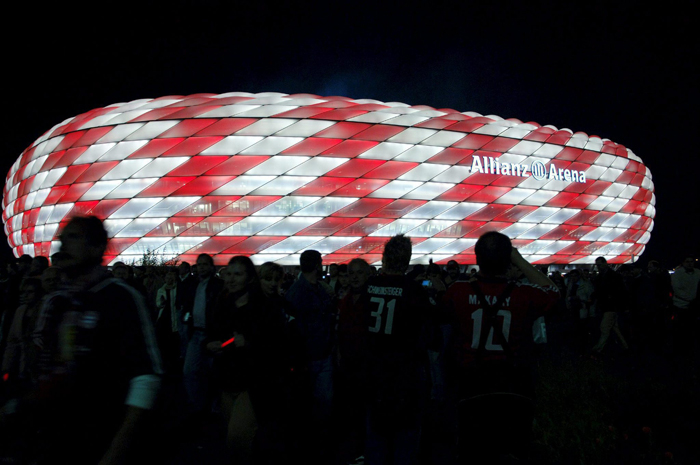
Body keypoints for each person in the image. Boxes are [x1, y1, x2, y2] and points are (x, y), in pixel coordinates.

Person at [0, 216, 163, 465]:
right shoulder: (58, 303)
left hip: (103, 436)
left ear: (98, 248)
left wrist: (117, 449)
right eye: (63, 238)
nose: (63, 245)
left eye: (74, 237)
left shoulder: (121, 298)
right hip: (58, 439)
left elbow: (145, 376)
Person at [443, 231, 559, 464]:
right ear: (508, 261)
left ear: (477, 259)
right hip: (513, 384)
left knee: (472, 451)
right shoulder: (524, 295)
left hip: (471, 384)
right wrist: (517, 258)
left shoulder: (457, 291)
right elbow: (554, 293)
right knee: (512, 451)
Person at [206, 256, 288, 465]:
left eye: (238, 274)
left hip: (252, 383)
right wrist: (210, 345)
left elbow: (276, 345)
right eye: (229, 274)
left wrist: (249, 342)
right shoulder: (222, 302)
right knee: (231, 436)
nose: (231, 279)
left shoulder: (264, 306)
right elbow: (212, 333)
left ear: (249, 278)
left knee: (237, 436)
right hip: (227, 379)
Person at [360, 235, 434, 465]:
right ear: (407, 259)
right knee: (405, 439)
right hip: (405, 376)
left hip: (374, 372)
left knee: (376, 436)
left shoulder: (368, 287)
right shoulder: (414, 291)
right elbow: (429, 336)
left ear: (384, 256)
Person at [285, 249, 337, 462]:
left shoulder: (299, 291)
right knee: (317, 403)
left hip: (314, 354)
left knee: (314, 403)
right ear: (318, 265)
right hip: (313, 354)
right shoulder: (312, 291)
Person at [181, 253, 224, 419]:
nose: (202, 267)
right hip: (197, 332)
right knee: (190, 371)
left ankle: (211, 406)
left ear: (212, 267)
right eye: (199, 264)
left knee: (212, 371)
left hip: (211, 334)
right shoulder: (193, 285)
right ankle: (199, 406)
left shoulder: (218, 286)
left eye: (205, 264)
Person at [591, 257, 629, 354]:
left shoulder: (610, 276)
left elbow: (620, 291)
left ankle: (599, 347)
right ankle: (625, 345)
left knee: (605, 327)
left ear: (605, 263)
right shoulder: (608, 276)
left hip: (610, 305)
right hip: (608, 305)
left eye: (599, 265)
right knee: (613, 327)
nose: (598, 267)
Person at [670, 257, 700, 355]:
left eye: (691, 262)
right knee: (680, 328)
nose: (690, 264)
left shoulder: (697, 273)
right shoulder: (678, 274)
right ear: (683, 263)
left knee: (690, 329)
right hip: (681, 305)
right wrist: (692, 298)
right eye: (687, 262)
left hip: (691, 305)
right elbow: (677, 290)